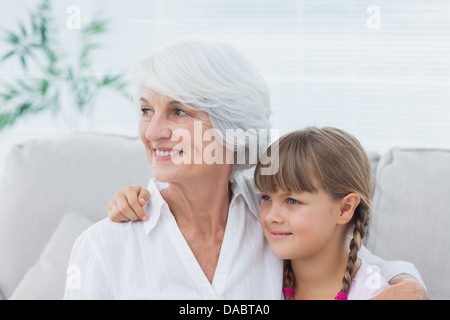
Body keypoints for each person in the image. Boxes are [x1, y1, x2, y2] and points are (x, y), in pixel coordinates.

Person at [65, 37, 427, 299]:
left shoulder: (270, 216)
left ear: (231, 126)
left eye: (179, 111)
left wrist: (409, 286)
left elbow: (354, 262)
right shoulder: (104, 246)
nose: (153, 132)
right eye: (146, 111)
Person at [254, 126, 389, 299]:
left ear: (345, 209)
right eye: (266, 197)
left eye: (293, 201)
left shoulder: (375, 293)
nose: (271, 216)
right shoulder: (260, 278)